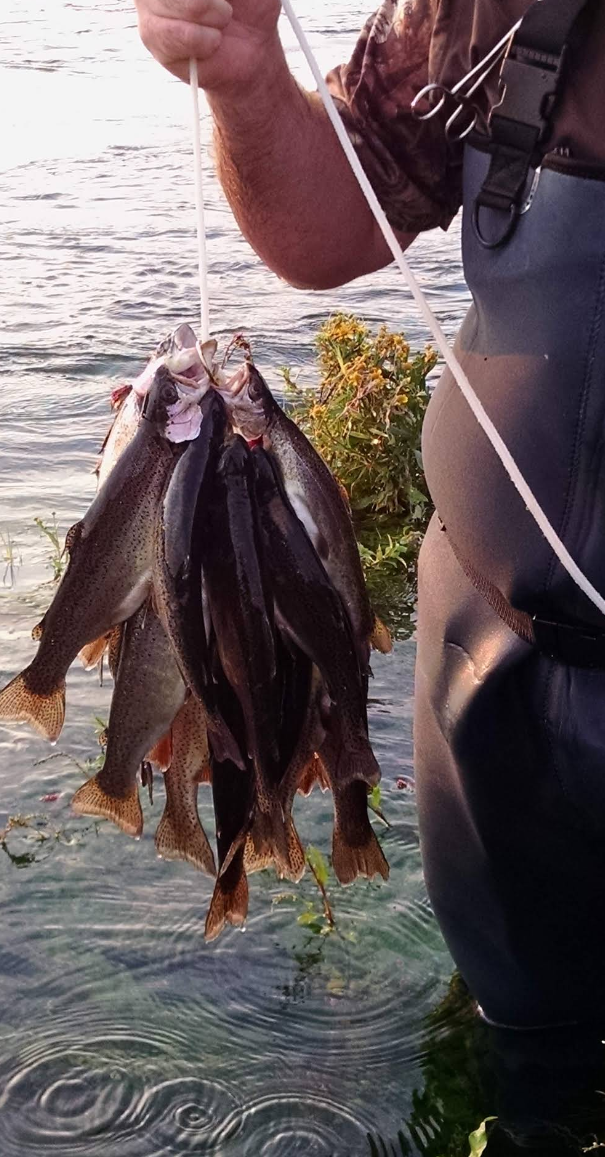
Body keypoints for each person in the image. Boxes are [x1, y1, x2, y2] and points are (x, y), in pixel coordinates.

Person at [135, 0, 605, 1148]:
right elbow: (327, 219)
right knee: (525, 1062)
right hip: (488, 674)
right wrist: (244, 78)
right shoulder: (489, 9)